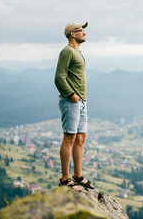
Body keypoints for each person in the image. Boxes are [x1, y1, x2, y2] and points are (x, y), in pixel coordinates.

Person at [54, 22, 94, 191]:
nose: (84, 33)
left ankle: (78, 175)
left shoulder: (77, 51)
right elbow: (59, 77)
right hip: (71, 101)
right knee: (69, 138)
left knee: (80, 138)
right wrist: (72, 95)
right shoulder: (67, 51)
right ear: (72, 34)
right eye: (81, 30)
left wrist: (80, 98)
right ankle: (65, 179)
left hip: (81, 101)